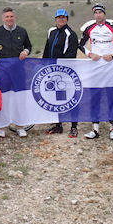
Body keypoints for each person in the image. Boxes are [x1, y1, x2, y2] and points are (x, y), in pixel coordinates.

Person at [79, 3, 113, 140]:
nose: (98, 15)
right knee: (95, 97)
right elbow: (80, 45)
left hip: (110, 67)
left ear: (104, 14)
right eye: (96, 13)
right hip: (95, 67)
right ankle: (95, 129)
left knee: (111, 96)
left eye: (100, 12)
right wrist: (90, 54)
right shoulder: (90, 28)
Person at [0, 7, 32, 137]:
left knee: (19, 98)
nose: (9, 19)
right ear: (3, 18)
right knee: (2, 97)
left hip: (18, 70)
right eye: (7, 17)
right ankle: (2, 127)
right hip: (2, 70)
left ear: (14, 17)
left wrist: (25, 51)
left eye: (11, 16)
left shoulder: (22, 31)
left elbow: (29, 46)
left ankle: (20, 126)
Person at [42, 9, 80, 137]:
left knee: (71, 99)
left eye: (63, 17)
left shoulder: (71, 34)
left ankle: (74, 127)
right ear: (55, 19)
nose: (61, 19)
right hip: (52, 71)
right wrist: (43, 65)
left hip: (66, 72)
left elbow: (71, 54)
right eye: (59, 17)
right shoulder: (51, 31)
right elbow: (47, 49)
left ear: (67, 19)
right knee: (56, 99)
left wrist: (60, 67)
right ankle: (58, 125)